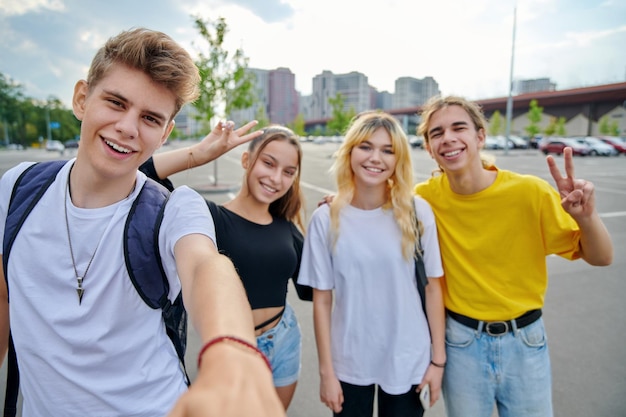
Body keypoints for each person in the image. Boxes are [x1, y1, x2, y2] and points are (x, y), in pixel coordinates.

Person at [0, 28, 284, 417]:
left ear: (166, 132)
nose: (128, 127)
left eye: (150, 118)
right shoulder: (17, 188)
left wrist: (232, 353)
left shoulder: (174, 209)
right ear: (82, 98)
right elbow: (4, 295)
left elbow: (206, 267)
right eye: (116, 103)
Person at [414, 95, 614, 417]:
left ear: (480, 137)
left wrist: (586, 218)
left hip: (525, 341)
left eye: (458, 127)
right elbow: (379, 201)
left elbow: (602, 257)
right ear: (428, 146)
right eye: (436, 133)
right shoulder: (424, 199)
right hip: (461, 343)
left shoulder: (529, 192)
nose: (447, 138)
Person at [143, 124, 310, 410]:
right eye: (268, 163)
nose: (275, 177)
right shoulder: (208, 217)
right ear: (246, 160)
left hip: (284, 340)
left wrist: (335, 219)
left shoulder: (288, 229)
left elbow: (311, 289)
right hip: (228, 348)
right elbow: (144, 173)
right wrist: (200, 155)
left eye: (288, 171)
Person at [299, 111, 446, 417]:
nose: (375, 158)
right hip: (349, 360)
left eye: (388, 150)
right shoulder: (325, 219)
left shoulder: (417, 212)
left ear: (398, 160)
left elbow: (433, 289)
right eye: (366, 146)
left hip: (406, 357)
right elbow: (322, 302)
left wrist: (438, 361)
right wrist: (327, 372)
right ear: (350, 151)